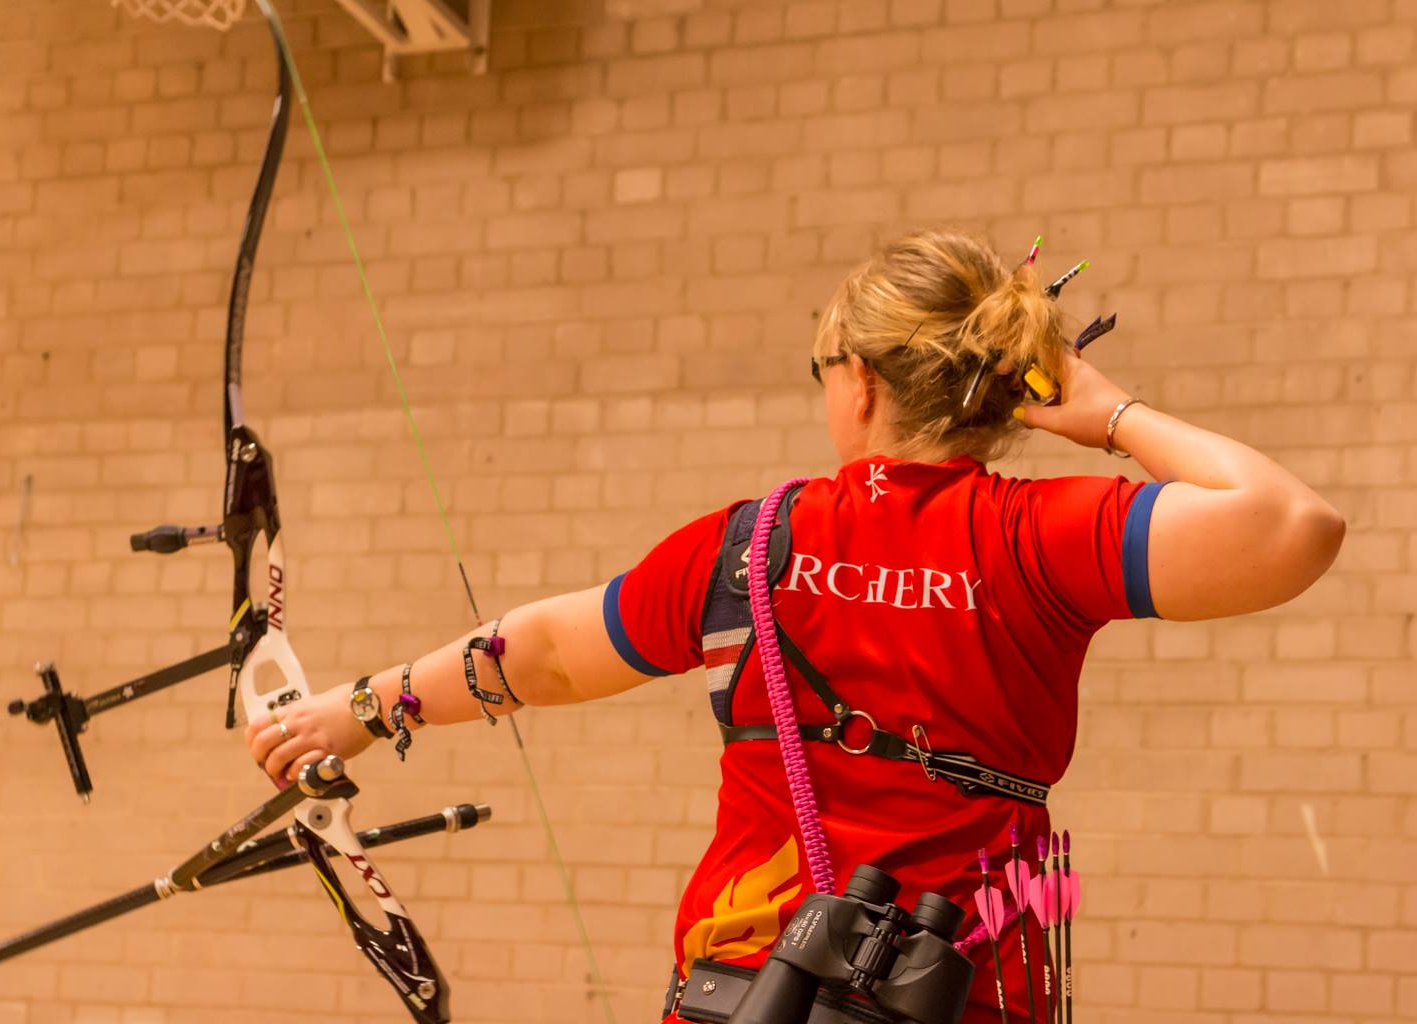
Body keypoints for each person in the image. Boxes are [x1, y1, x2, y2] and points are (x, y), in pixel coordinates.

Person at [247, 230, 1345, 1024]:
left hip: (747, 988)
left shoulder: (752, 543)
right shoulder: (1039, 534)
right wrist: (1106, 413)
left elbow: (540, 656)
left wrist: (362, 709)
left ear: (858, 382)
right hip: (969, 992)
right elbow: (1293, 523)